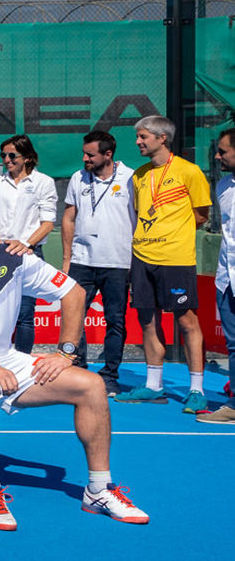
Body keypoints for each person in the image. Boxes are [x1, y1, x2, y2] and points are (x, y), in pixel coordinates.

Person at [0, 198, 148, 529]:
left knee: (92, 386)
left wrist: (65, 352)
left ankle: (98, 489)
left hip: (8, 362)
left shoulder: (15, 259)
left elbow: (74, 293)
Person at [115, 116, 211, 413]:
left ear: (162, 139)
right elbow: (140, 213)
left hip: (176, 259)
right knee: (148, 321)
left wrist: (173, 234)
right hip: (142, 257)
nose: (137, 142)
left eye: (143, 137)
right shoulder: (139, 175)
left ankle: (196, 390)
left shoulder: (189, 171)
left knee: (186, 322)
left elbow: (202, 215)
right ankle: (154, 386)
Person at [61, 130, 134, 395]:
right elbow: (69, 218)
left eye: (90, 154)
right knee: (73, 316)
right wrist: (67, 259)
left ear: (108, 154)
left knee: (115, 321)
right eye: (84, 153)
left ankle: (109, 377)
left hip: (118, 262)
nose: (85, 158)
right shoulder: (78, 178)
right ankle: (77, 370)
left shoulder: (130, 178)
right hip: (82, 261)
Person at [0, 135, 57, 354]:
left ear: (26, 157)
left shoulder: (44, 182)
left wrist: (24, 244)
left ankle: (22, 363)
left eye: (12, 155)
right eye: (3, 155)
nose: (7, 159)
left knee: (25, 315)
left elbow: (47, 223)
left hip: (29, 254)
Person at [200, 128, 235, 423]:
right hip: (227, 280)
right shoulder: (224, 186)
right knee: (233, 344)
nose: (217, 156)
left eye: (223, 151)